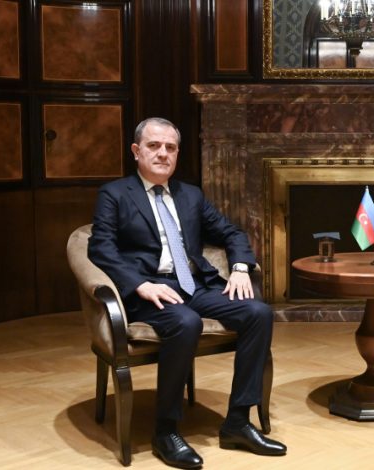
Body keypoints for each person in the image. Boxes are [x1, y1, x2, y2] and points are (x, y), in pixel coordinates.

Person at [88, 117, 286, 469]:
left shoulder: (190, 195)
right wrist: (139, 284)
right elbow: (101, 248)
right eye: (154, 146)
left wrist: (240, 267)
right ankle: (166, 431)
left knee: (258, 313)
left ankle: (238, 422)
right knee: (186, 322)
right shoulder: (115, 194)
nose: (163, 153)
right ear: (136, 151)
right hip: (149, 291)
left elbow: (231, 232)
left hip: (194, 284)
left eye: (171, 147)